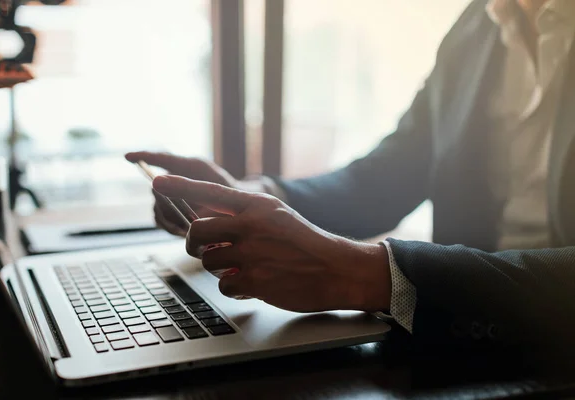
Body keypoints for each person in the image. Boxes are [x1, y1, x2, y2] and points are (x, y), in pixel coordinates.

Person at [127, 0, 575, 360]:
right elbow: (384, 178)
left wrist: (370, 276)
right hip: (458, 338)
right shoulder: (480, 24)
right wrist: (248, 195)